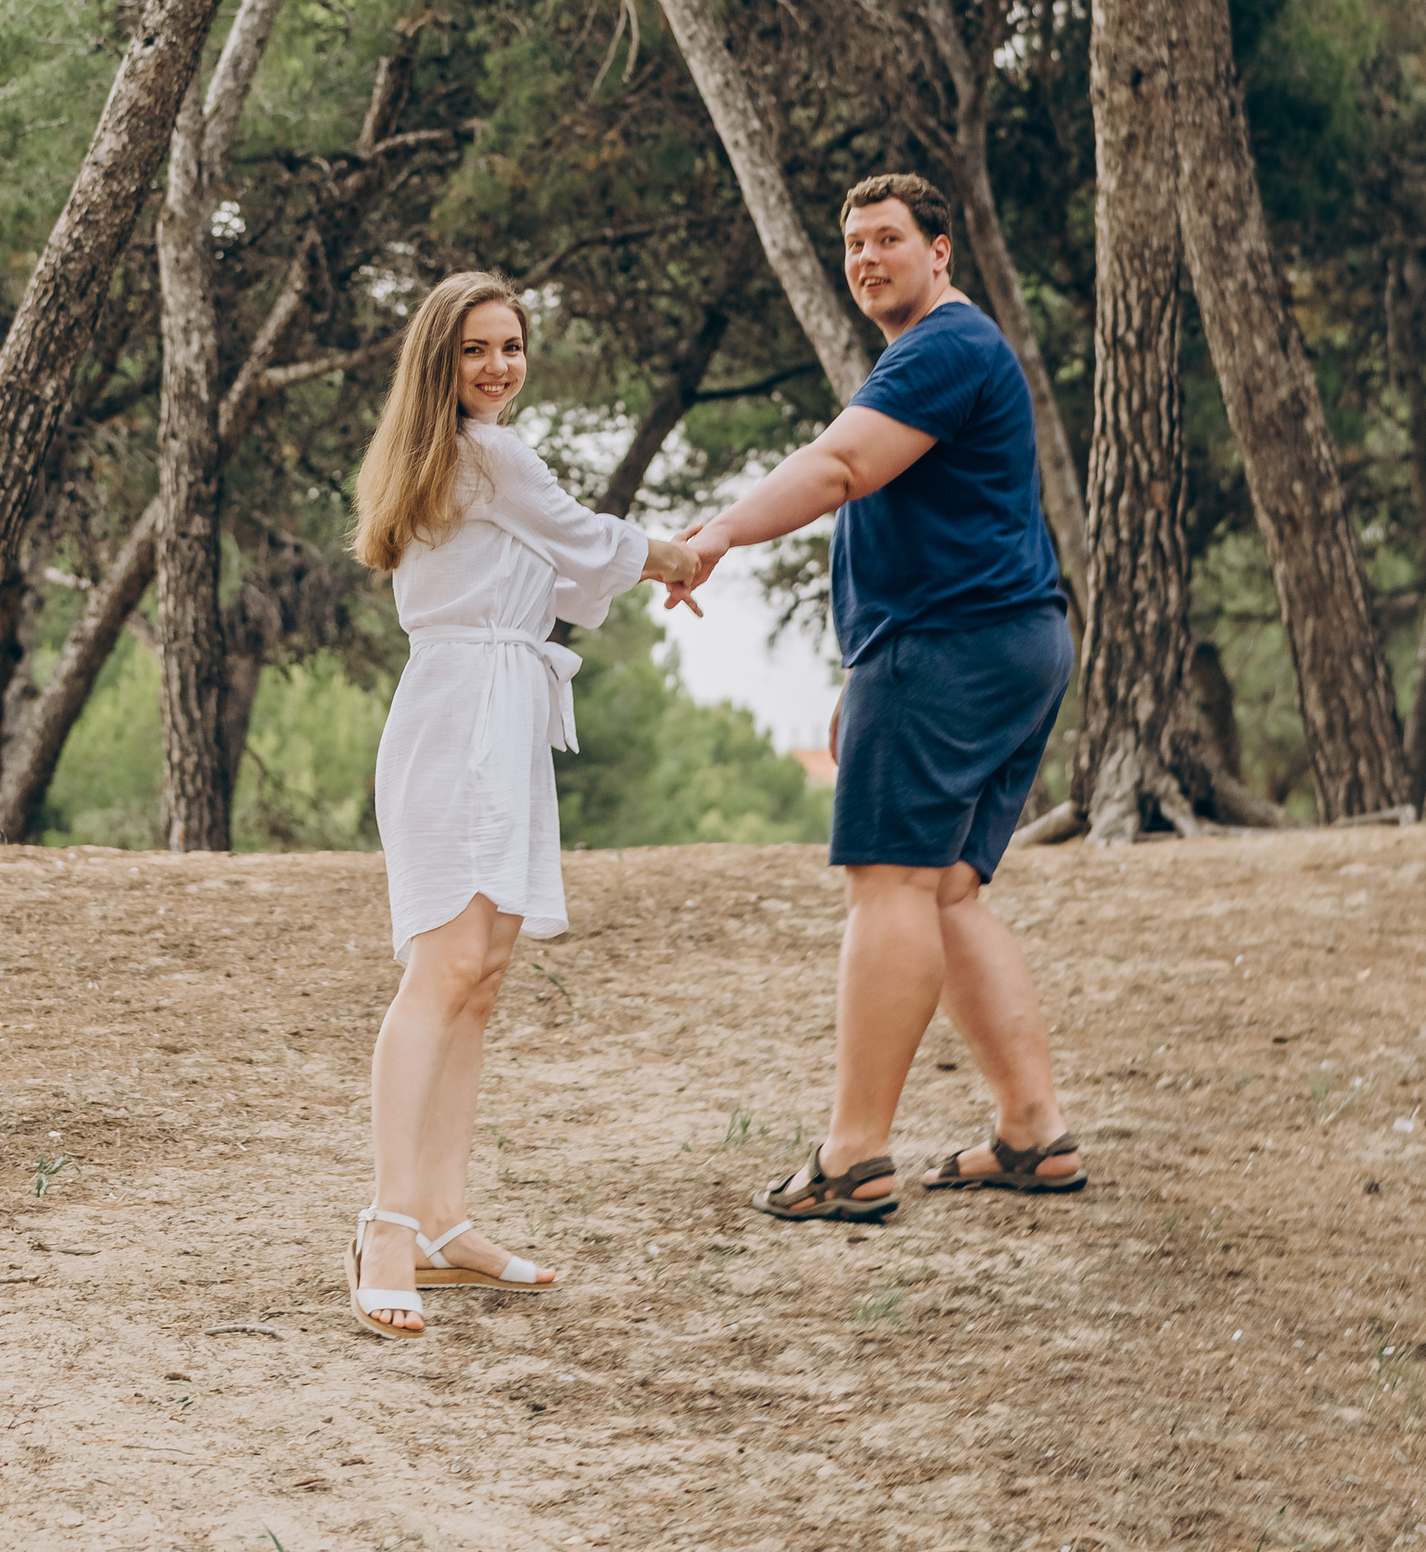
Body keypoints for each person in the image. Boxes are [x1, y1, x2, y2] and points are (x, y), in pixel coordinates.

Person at [661, 173, 1083, 1220]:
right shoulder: (943, 354)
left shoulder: (945, 345)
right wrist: (872, 668)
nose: (865, 259)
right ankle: (1033, 1134)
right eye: (852, 244)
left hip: (952, 646)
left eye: (888, 239)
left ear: (940, 251)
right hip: (1006, 641)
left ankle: (852, 1159)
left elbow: (841, 466)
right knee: (944, 889)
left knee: (888, 887)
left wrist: (712, 535)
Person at [347, 269, 705, 1341]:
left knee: (484, 976)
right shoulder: (484, 453)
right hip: (460, 715)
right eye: (475, 350)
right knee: (442, 968)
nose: (498, 366)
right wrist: (683, 554)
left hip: (500, 711)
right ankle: (384, 1226)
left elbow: (558, 575)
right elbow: (587, 539)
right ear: (438, 363)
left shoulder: (466, 460)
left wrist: (643, 560)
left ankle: (446, 1223)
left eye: (511, 347)